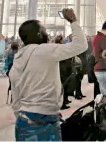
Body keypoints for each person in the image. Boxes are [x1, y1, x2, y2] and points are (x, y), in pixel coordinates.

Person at [10, 9, 87, 141]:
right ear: (39, 34)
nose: (48, 34)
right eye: (45, 31)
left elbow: (16, 98)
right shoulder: (44, 50)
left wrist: (25, 116)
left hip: (24, 120)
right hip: (44, 120)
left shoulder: (18, 59)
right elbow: (80, 45)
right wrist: (73, 21)